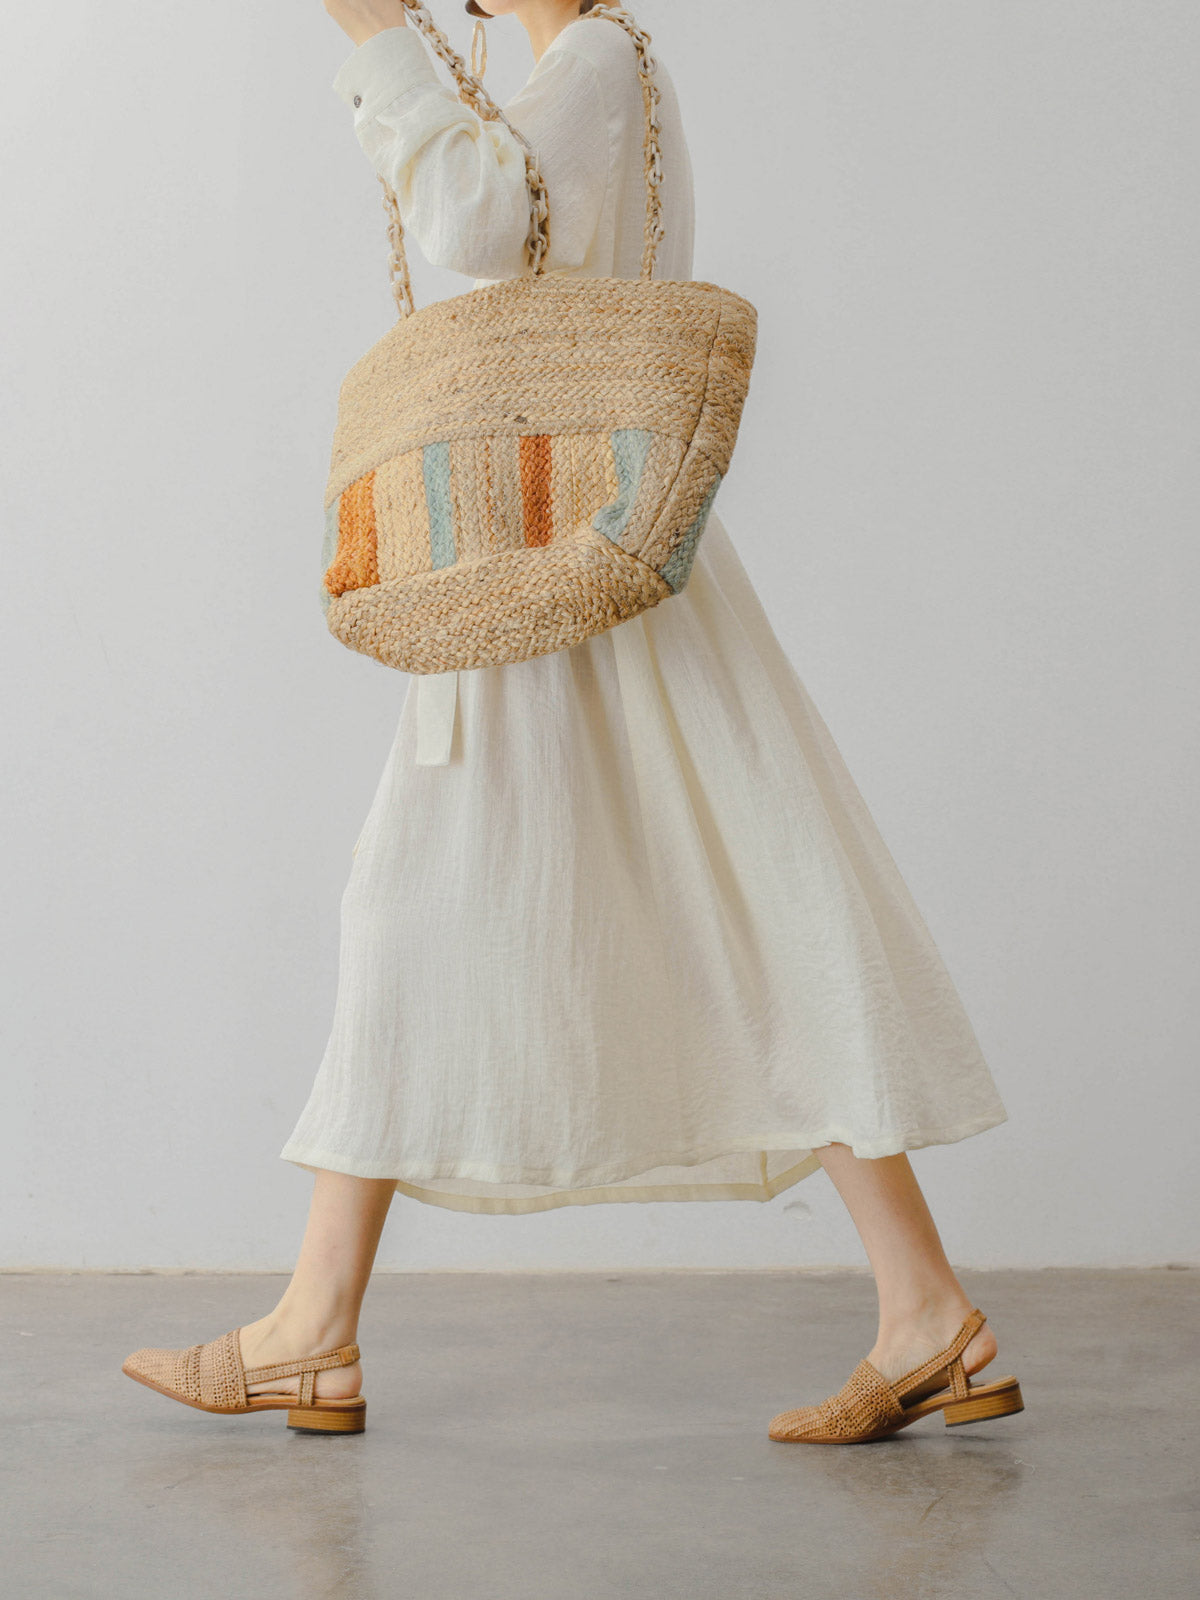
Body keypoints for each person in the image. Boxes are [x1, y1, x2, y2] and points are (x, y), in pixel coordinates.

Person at [121, 0, 1021, 1444]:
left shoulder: (598, 62)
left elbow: (478, 228)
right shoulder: (588, 70)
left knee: (642, 916)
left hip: (555, 573)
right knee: (711, 911)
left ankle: (313, 1336)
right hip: (567, 560)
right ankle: (925, 1315)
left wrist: (377, 41)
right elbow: (510, 222)